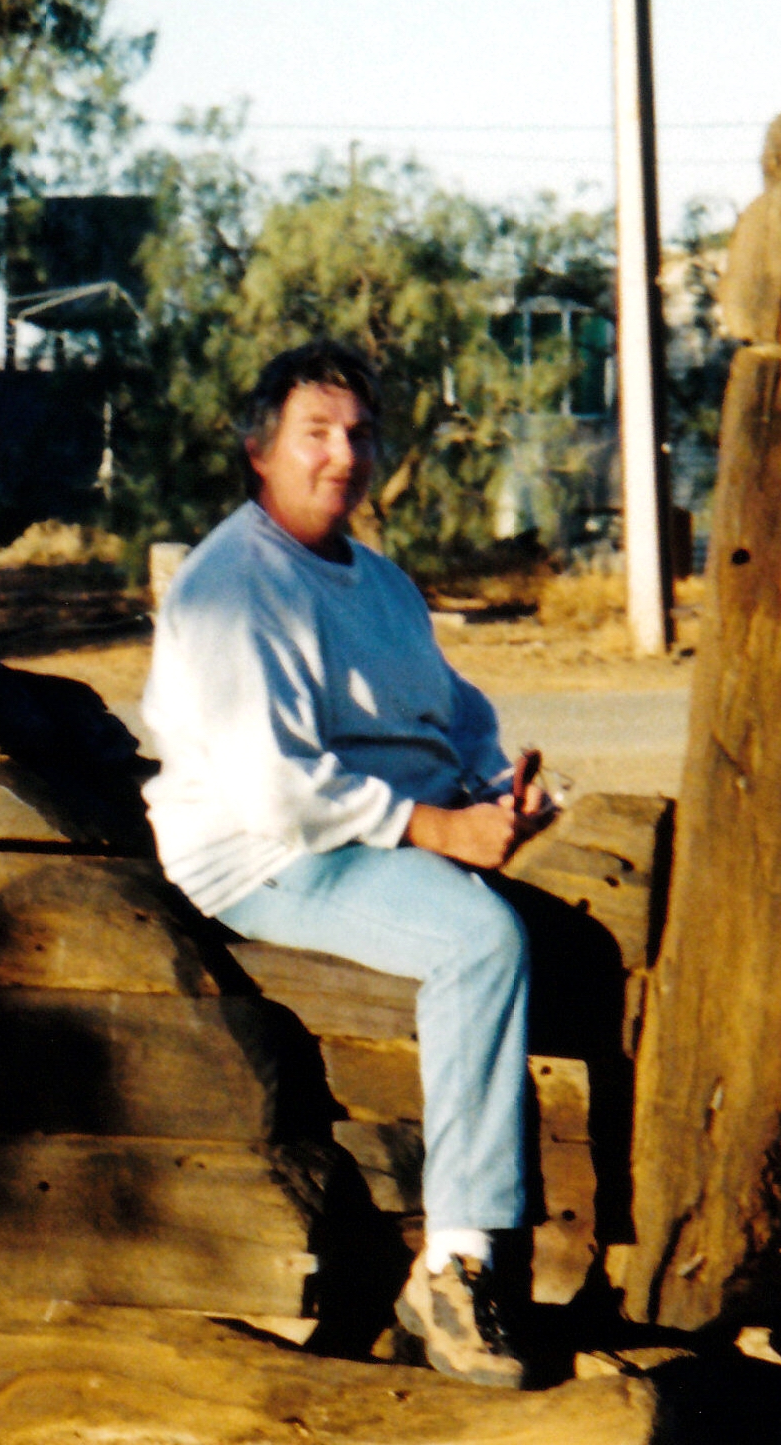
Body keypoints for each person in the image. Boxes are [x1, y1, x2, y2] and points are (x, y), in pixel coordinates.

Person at [139, 340, 558, 1385]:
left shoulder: (379, 581)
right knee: (477, 942)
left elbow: (455, 711)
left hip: (373, 828)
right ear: (258, 451)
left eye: (358, 433)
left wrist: (491, 787)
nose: (341, 455)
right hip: (265, 851)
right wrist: (438, 831)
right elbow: (275, 788)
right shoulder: (235, 585)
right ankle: (454, 1270)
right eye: (314, 433)